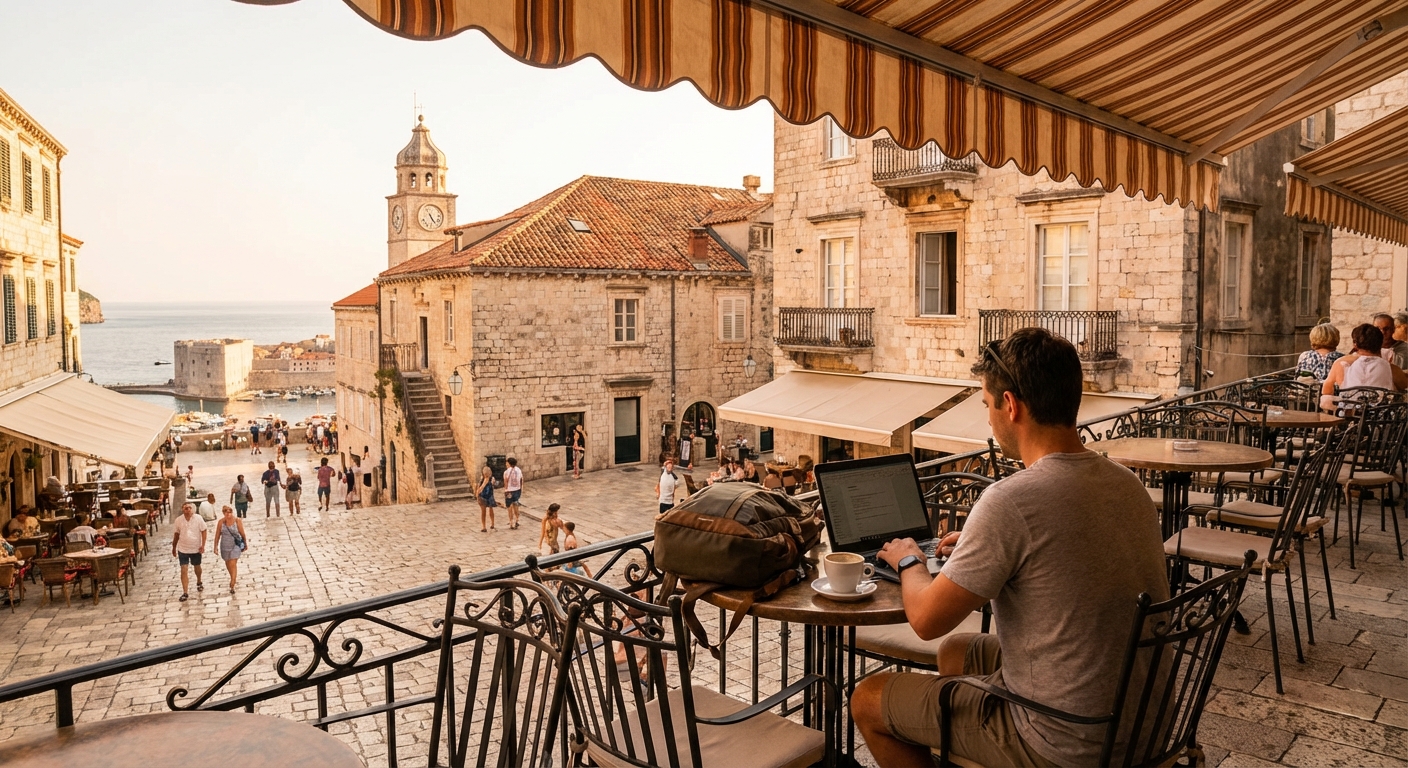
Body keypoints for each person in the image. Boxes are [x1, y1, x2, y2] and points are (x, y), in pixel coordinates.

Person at [852, 327, 1169, 767]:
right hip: (1143, 725)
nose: (988, 418)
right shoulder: (1127, 484)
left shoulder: (1011, 500)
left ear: (1011, 405)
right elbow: (1061, 552)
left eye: (987, 405)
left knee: (868, 698)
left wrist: (909, 559)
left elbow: (925, 620)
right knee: (956, 652)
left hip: (1067, 741)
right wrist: (981, 548)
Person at [1322, 323, 1408, 410]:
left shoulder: (1341, 363)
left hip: (1349, 415)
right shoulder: (1390, 368)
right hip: (1382, 416)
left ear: (1355, 344)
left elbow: (1326, 391)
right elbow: (1405, 385)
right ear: (1381, 343)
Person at [171, 502, 207, 602]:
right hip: (183, 549)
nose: (188, 510)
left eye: (189, 508)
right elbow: (176, 534)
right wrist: (174, 547)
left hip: (195, 548)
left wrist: (203, 545)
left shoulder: (198, 518)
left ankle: (199, 581)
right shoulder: (178, 520)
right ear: (182, 510)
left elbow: (204, 531)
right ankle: (185, 592)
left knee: (197, 566)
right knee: (184, 569)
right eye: (186, 508)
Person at [215, 505, 247, 594]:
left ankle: (233, 582)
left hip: (235, 544)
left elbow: (242, 533)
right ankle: (232, 576)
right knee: (228, 563)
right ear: (223, 513)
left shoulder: (237, 521)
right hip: (225, 546)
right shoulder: (221, 522)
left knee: (233, 563)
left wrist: (245, 543)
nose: (228, 513)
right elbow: (217, 535)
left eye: (229, 512)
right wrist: (215, 547)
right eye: (226, 512)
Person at [503, 456, 523, 530]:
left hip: (509, 491)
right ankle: (516, 520)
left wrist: (505, 490)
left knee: (509, 507)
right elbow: (521, 480)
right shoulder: (519, 470)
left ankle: (511, 522)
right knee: (516, 505)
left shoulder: (506, 472)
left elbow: (505, 482)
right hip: (517, 490)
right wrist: (521, 488)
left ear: (509, 463)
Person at [476, 465, 498, 532]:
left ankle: (484, 526)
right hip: (489, 496)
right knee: (490, 510)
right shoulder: (492, 478)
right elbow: (494, 485)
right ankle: (492, 523)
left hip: (483, 497)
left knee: (483, 512)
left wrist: (477, 493)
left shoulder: (484, 479)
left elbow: (481, 487)